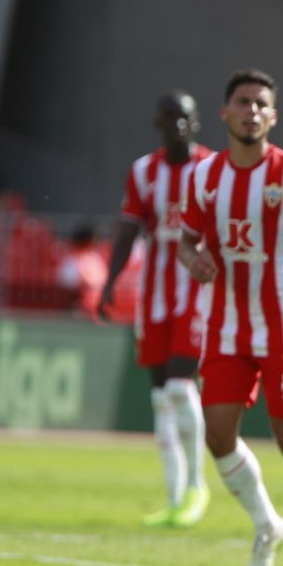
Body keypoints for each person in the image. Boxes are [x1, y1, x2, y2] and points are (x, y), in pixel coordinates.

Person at [176, 69, 283, 566]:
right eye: (242, 102)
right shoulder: (204, 177)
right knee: (218, 434)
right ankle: (268, 526)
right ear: (225, 113)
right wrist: (193, 260)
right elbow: (186, 241)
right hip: (227, 325)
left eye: (261, 104)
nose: (251, 110)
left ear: (273, 116)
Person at [99, 92, 214, 528]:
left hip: (195, 288)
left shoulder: (211, 169)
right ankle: (174, 496)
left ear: (195, 122)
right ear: (158, 125)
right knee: (161, 397)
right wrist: (110, 281)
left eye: (183, 117)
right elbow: (128, 229)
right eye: (169, 118)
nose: (177, 125)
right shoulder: (144, 172)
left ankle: (196, 487)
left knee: (183, 388)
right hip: (155, 293)